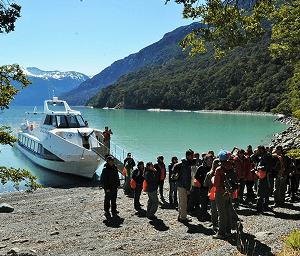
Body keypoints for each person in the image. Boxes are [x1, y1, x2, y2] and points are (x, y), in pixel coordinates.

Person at [255, 145, 274, 214]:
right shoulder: (265, 155)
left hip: (265, 176)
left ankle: (259, 208)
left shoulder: (266, 156)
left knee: (261, 191)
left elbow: (269, 166)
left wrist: (261, 168)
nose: (257, 151)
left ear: (261, 150)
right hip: (266, 176)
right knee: (266, 191)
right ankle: (265, 206)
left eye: (258, 150)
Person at [101, 155, 121, 220]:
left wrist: (118, 184)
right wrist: (106, 188)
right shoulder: (105, 169)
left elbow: (117, 176)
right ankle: (106, 210)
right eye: (110, 160)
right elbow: (104, 180)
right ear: (108, 161)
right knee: (107, 199)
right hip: (108, 187)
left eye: (112, 160)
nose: (111, 161)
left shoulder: (115, 167)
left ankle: (114, 210)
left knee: (114, 199)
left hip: (114, 186)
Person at [195, 153, 214, 220]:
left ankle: (213, 215)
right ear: (205, 160)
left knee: (212, 202)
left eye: (211, 159)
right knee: (204, 202)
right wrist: (202, 182)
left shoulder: (213, 168)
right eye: (209, 159)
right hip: (204, 188)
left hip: (212, 187)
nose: (210, 161)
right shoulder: (201, 167)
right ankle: (203, 215)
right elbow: (196, 176)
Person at [177, 149, 194, 223]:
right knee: (184, 202)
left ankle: (180, 215)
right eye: (191, 156)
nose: (192, 157)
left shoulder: (184, 163)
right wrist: (188, 189)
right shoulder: (186, 165)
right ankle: (183, 218)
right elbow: (186, 177)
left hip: (180, 184)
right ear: (187, 156)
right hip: (183, 185)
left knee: (181, 201)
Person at [204, 158, 220, 232]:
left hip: (212, 193)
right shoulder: (222, 173)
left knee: (213, 209)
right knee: (221, 208)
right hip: (220, 192)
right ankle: (221, 223)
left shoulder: (209, 174)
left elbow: (205, 184)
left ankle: (214, 224)